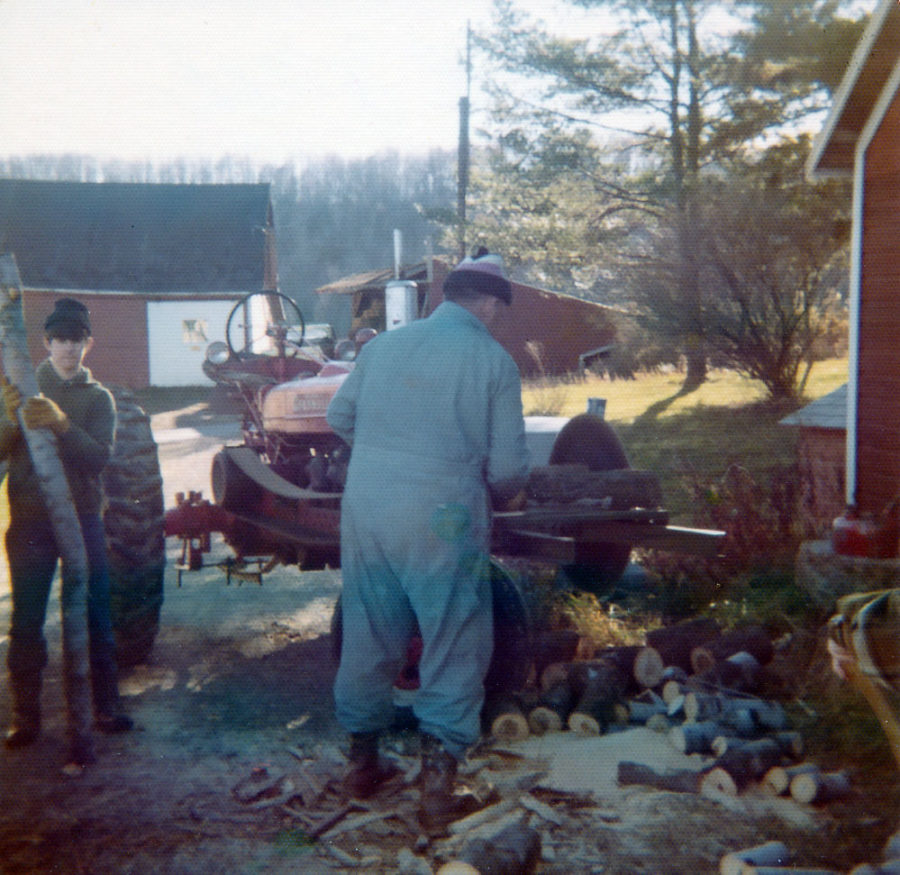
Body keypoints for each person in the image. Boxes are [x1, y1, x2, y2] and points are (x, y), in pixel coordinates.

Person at [326, 248, 530, 834]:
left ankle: (362, 764)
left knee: (368, 624)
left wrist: (385, 451)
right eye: (499, 311)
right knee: (454, 631)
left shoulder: (382, 346)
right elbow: (511, 469)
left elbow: (341, 417)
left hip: (366, 509)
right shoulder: (493, 362)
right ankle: (437, 787)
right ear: (489, 303)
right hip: (442, 518)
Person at [1, 297, 132, 763]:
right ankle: (27, 716)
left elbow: (99, 457)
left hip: (82, 521)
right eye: (60, 339)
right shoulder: (21, 383)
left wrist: (60, 423)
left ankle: (106, 705)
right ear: (46, 341)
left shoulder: (99, 399)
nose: (68, 348)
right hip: (30, 522)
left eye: (77, 340)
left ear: (88, 343)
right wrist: (5, 417)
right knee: (27, 621)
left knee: (95, 612)